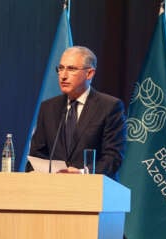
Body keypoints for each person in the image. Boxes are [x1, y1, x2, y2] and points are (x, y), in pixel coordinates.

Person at [28, 46, 126, 180]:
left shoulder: (109, 107)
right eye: (61, 68)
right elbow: (36, 154)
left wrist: (82, 173)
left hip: (92, 191)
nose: (63, 75)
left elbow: (113, 157)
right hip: (53, 190)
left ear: (89, 73)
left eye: (71, 69)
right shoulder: (48, 108)